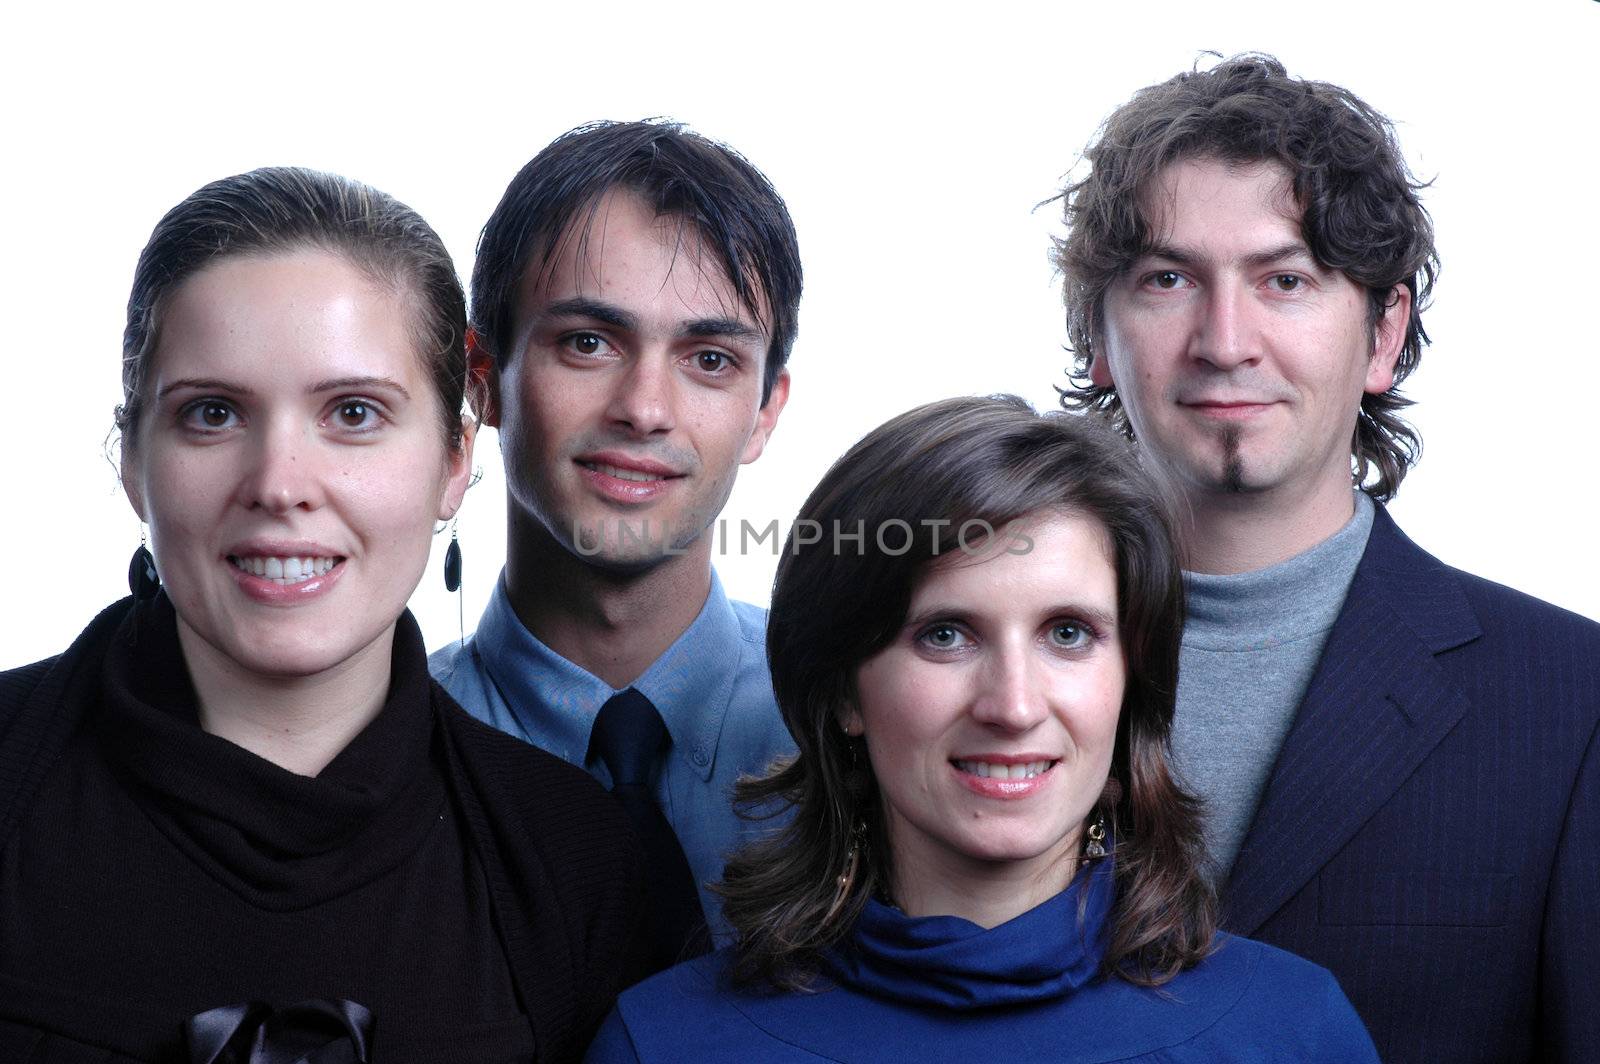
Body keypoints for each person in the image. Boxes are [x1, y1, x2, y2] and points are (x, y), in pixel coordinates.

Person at [0, 167, 640, 1063]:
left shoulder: (589, 869)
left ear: (455, 457)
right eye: (213, 414)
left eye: (352, 412)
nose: (279, 486)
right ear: (132, 462)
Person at [1053, 54, 1600, 1063]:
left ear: (1383, 333)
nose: (1225, 340)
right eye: (1167, 279)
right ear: (1097, 329)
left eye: (1285, 280)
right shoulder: (950, 667)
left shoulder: (1571, 702)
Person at [585, 395, 1379, 1063]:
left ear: (1130, 681)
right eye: (946, 634)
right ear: (843, 692)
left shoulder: (1293, 1033)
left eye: (1068, 634)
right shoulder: (662, 1043)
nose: (1013, 704)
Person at [430, 120, 801, 968]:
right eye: (588, 343)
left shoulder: (863, 730)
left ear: (766, 411)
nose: (644, 407)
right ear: (482, 379)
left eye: (709, 358)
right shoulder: (375, 744)